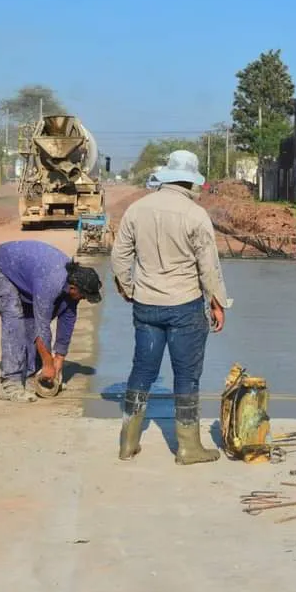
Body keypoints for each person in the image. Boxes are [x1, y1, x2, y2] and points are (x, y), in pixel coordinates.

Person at [112, 149, 231, 465]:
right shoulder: (195, 215)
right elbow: (209, 268)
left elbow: (119, 256)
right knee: (186, 375)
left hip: (146, 305)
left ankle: (128, 442)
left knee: (142, 369)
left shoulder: (137, 210)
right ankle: (188, 448)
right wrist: (218, 304)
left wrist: (129, 288)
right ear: (190, 181)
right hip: (184, 307)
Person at [0, 240, 103, 402]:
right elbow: (42, 328)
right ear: (73, 288)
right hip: (0, 267)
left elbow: (67, 320)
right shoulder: (51, 283)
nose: (83, 299)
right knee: (14, 318)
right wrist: (48, 364)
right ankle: (10, 384)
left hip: (28, 270)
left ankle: (32, 373)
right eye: (83, 295)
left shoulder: (71, 283)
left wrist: (58, 359)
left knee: (31, 321)